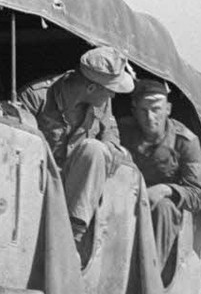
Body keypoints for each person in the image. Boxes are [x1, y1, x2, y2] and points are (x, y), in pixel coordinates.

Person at [19, 47, 135, 244]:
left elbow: (112, 136)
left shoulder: (102, 103)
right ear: (91, 88)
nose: (113, 96)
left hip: (74, 190)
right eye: (110, 91)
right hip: (36, 186)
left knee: (96, 149)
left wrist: (112, 148)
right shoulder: (36, 96)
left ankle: (73, 235)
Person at [118, 79, 201, 265]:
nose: (150, 117)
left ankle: (150, 279)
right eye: (143, 110)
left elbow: (198, 195)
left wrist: (166, 190)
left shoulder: (185, 142)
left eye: (156, 109)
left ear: (168, 109)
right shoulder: (122, 130)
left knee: (165, 208)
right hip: (124, 198)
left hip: (158, 207)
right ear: (134, 112)